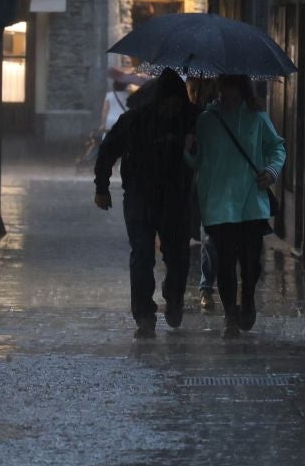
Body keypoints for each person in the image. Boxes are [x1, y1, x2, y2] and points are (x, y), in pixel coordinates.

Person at [94, 69, 199, 339]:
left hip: (176, 197)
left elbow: (208, 152)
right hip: (140, 195)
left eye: (177, 103)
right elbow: (108, 150)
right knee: (142, 254)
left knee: (177, 255)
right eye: (168, 102)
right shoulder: (136, 120)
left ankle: (173, 298)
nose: (172, 108)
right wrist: (102, 187)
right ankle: (143, 314)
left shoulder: (193, 121)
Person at [185, 75, 286, 339]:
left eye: (233, 98)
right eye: (223, 97)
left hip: (251, 202)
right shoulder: (206, 121)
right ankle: (230, 316)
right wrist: (189, 150)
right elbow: (196, 161)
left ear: (242, 93)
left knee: (251, 262)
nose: (228, 102)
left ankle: (248, 297)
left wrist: (272, 171)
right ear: (217, 93)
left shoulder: (257, 118)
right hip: (218, 203)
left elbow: (277, 147)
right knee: (226, 262)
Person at [185, 78, 219, 310]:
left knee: (210, 237)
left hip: (207, 183)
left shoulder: (215, 116)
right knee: (203, 236)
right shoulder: (186, 115)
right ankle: (202, 287)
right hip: (191, 185)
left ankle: (206, 286)